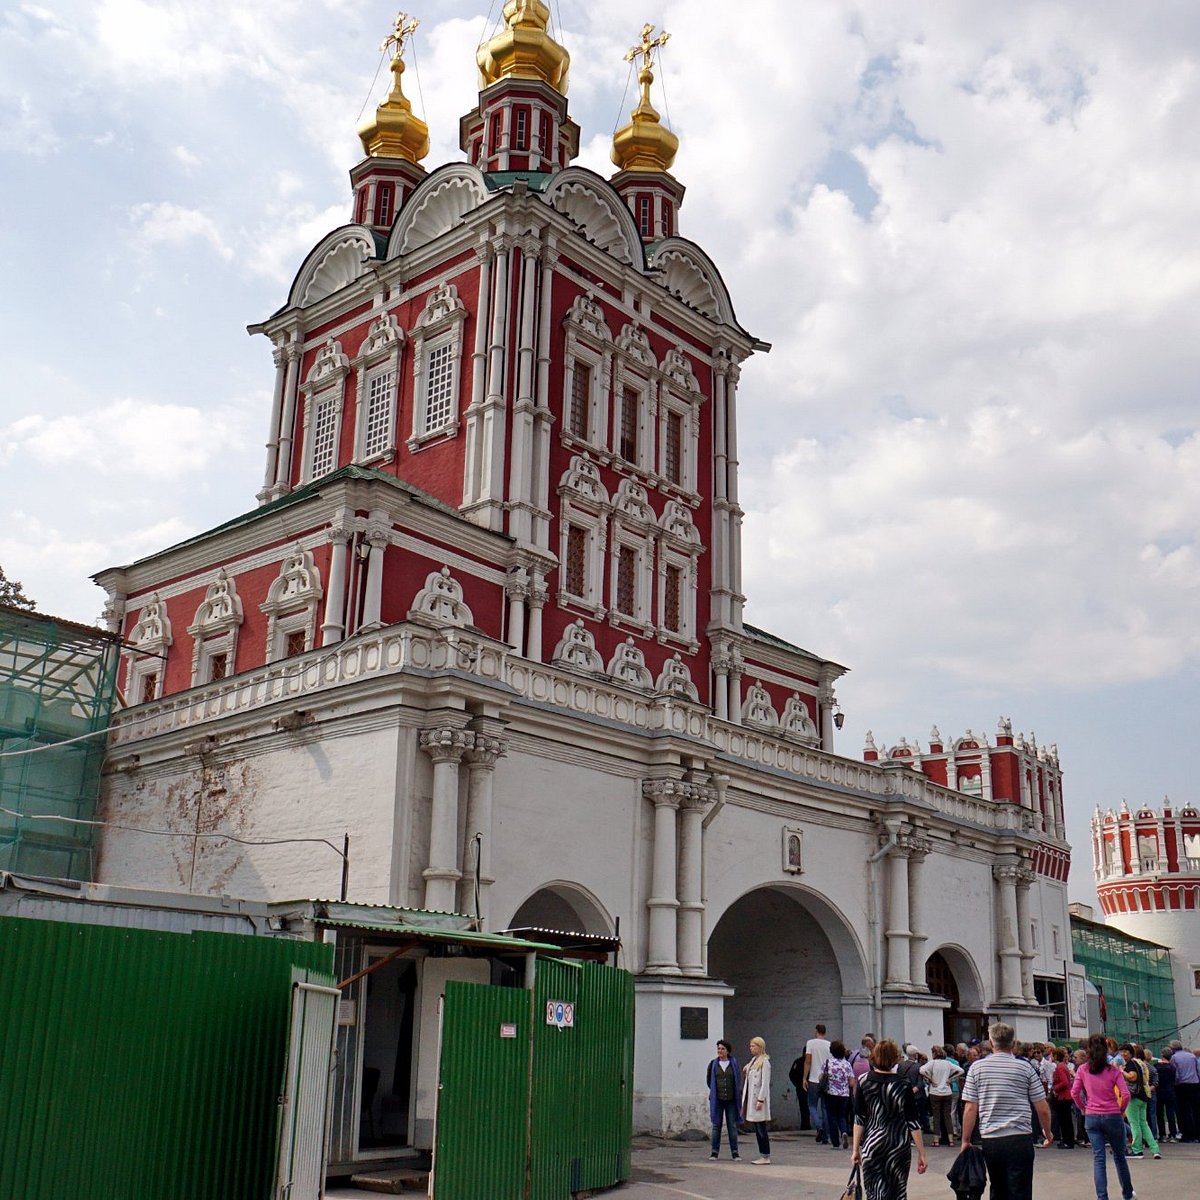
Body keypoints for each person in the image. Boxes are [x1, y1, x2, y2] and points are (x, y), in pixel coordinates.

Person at [959, 1021, 1052, 1200]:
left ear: (991, 1043)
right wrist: (1047, 1133)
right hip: (1020, 1137)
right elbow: (1042, 1107)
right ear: (1013, 1043)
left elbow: (970, 1108)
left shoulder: (977, 1068)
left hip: (991, 1139)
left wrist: (965, 1139)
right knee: (1021, 1190)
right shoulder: (1025, 1067)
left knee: (998, 1188)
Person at [852, 1037, 927, 1200]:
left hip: (872, 1145)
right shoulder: (904, 1084)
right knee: (898, 1192)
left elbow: (859, 1119)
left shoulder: (864, 1081)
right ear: (895, 1059)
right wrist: (922, 1153)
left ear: (874, 1057)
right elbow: (913, 1121)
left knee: (874, 1193)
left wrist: (855, 1149)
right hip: (898, 1146)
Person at [1072, 1032, 1134, 1200]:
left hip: (1092, 1115)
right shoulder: (1113, 1070)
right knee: (1120, 1157)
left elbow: (1074, 1092)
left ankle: (1102, 1197)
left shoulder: (1083, 1070)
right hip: (1112, 1114)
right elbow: (1126, 1094)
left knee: (1099, 1158)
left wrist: (1083, 1108)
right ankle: (1127, 1194)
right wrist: (1121, 1110)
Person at [1119, 1044, 1159, 1158]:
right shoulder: (1140, 1063)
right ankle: (1155, 1149)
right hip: (1143, 1096)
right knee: (1143, 1123)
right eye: (1122, 1051)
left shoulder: (1130, 1064)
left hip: (1133, 1097)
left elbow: (1132, 1077)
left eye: (1125, 1051)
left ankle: (1137, 1150)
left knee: (1134, 1124)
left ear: (1131, 1052)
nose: (1123, 1054)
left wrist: (1121, 1071)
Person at [921, 1044, 964, 1147]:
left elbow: (921, 1070)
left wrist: (929, 1079)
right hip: (947, 1091)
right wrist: (951, 1078)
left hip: (935, 1092)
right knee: (947, 1116)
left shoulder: (933, 1063)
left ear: (934, 1054)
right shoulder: (947, 1064)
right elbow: (961, 1071)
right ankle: (951, 1140)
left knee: (936, 1117)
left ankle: (936, 1140)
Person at [706, 1039, 741, 1161]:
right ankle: (714, 1152)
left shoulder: (734, 1064)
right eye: (719, 1048)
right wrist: (715, 1092)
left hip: (731, 1099)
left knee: (731, 1125)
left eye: (722, 1049)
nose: (720, 1051)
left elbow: (738, 1079)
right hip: (718, 1099)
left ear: (728, 1051)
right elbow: (709, 1080)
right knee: (716, 1125)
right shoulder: (713, 1064)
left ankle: (735, 1152)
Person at [821, 1039, 856, 1150]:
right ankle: (844, 1132)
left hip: (831, 1093)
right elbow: (851, 1082)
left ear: (831, 1051)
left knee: (832, 1116)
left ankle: (835, 1142)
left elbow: (821, 1077)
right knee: (842, 1116)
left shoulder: (828, 1063)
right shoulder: (847, 1065)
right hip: (844, 1094)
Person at [742, 1036, 772, 1164]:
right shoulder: (754, 1060)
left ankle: (765, 1155)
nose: (751, 1048)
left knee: (761, 1129)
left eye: (753, 1046)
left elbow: (765, 1083)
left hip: (759, 1100)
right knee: (757, 1127)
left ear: (760, 1047)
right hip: (752, 1099)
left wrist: (760, 1100)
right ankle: (762, 1154)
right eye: (750, 1046)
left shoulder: (765, 1062)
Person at [804, 1023, 832, 1141]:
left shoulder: (810, 1043)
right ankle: (825, 1136)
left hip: (814, 1079)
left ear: (816, 1031)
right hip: (825, 1079)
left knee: (812, 1105)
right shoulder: (829, 1045)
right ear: (825, 1032)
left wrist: (804, 1077)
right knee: (825, 1107)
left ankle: (819, 1127)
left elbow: (808, 1061)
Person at [1169, 1040, 1199, 1141]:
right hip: (1194, 1083)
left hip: (1182, 1085)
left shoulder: (1174, 1058)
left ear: (1172, 1048)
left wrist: (1175, 1083)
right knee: (1195, 1110)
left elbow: (1175, 1073)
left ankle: (1187, 1134)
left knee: (1183, 1111)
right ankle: (1197, 1134)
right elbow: (1197, 1069)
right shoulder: (1192, 1056)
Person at [1049, 1046, 1076, 1149]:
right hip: (1066, 1095)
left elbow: (1064, 1082)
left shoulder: (1059, 1067)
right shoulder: (1063, 1066)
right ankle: (1068, 1140)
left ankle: (1067, 1141)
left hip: (1063, 1096)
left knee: (1065, 1120)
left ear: (1055, 1056)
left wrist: (1055, 1088)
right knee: (1066, 1119)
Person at [1156, 1048, 1178, 1141]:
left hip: (1159, 1092)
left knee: (1160, 1114)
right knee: (1170, 1113)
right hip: (1170, 1091)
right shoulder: (1172, 1067)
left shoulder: (1157, 1066)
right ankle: (1173, 1134)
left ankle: (1162, 1135)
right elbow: (1175, 1079)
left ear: (1162, 1055)